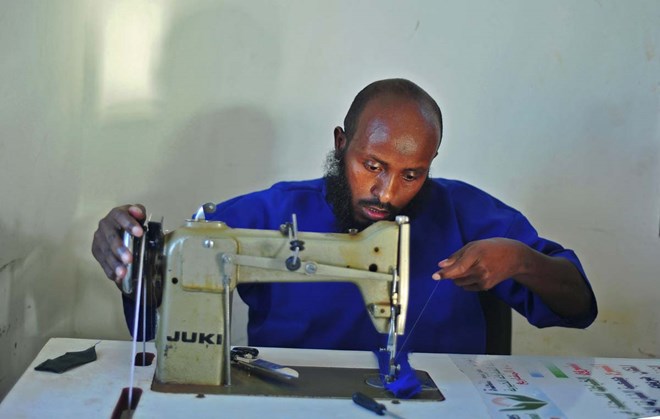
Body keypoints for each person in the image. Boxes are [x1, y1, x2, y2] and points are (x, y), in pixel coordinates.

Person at [92, 78, 597, 355]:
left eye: (412, 174)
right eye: (372, 165)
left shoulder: (467, 212)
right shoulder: (272, 210)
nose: (387, 192)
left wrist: (522, 261)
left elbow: (579, 304)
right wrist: (131, 255)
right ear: (341, 144)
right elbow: (167, 280)